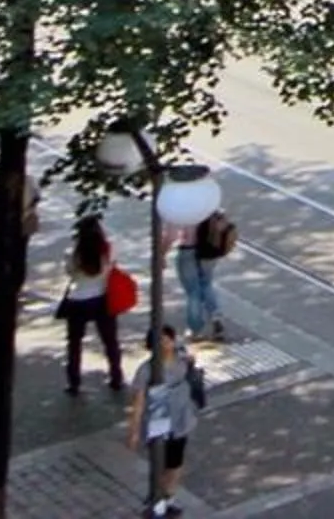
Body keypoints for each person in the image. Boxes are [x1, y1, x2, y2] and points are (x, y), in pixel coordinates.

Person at [126, 322, 206, 518]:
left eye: (167, 340)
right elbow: (138, 402)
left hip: (180, 417)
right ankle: (157, 499)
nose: (165, 345)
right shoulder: (146, 370)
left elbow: (192, 360)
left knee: (175, 462)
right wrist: (134, 431)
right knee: (160, 462)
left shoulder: (181, 357)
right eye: (159, 341)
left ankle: (168, 498)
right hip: (158, 419)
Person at [58, 212, 125, 396]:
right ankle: (116, 377)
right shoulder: (108, 250)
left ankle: (74, 382)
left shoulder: (72, 254)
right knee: (110, 341)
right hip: (102, 299)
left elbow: (70, 273)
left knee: (74, 343)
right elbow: (113, 265)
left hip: (77, 300)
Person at [175, 208, 235, 343]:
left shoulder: (185, 209)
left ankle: (195, 328)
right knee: (207, 284)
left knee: (193, 291)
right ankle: (216, 316)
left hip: (188, 250)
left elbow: (173, 234)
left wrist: (161, 252)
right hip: (210, 250)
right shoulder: (208, 204)